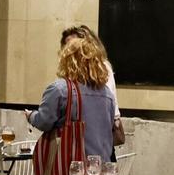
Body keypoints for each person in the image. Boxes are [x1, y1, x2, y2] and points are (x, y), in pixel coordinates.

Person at [27, 36, 117, 165]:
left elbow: (44, 122)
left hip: (70, 169)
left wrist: (31, 116)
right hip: (99, 168)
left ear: (67, 60)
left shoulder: (60, 89)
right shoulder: (107, 94)